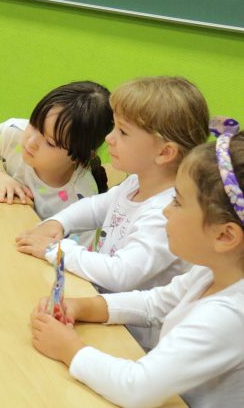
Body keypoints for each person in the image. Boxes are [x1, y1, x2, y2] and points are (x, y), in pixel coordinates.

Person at [29, 126, 244, 408]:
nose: (165, 209)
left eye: (177, 201)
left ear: (224, 236)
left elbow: (137, 389)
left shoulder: (228, 315)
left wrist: (70, 349)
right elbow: (156, 303)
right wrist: (83, 307)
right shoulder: (215, 271)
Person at [15, 76, 209, 347]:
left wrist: (54, 250)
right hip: (101, 313)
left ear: (165, 152)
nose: (109, 138)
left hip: (133, 339)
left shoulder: (166, 212)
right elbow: (97, 206)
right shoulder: (137, 182)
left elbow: (121, 274)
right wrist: (59, 222)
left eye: (123, 132)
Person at [0, 81, 113, 219]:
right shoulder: (14, 132)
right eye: (34, 124)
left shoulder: (81, 199)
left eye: (50, 142)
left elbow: (74, 255)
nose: (31, 141)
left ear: (80, 155)